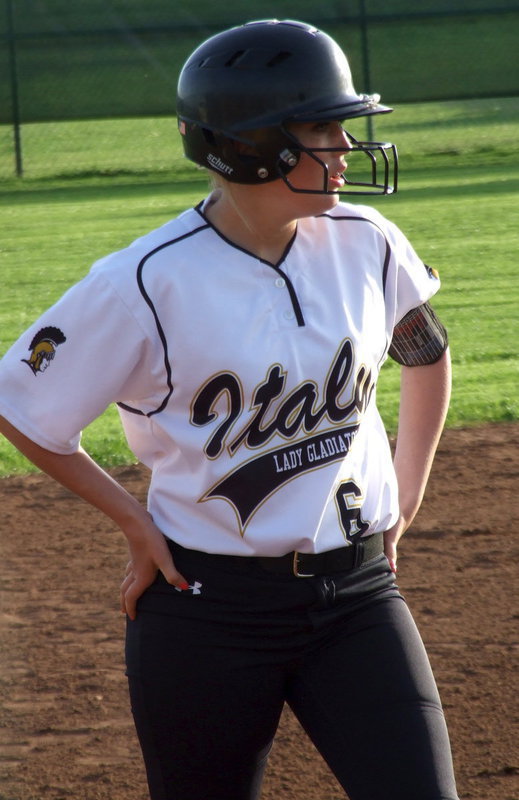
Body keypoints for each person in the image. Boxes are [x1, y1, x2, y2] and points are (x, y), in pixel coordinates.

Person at [0, 19, 458, 800]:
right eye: (323, 128)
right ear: (254, 146)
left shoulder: (366, 240)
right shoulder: (143, 281)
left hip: (357, 598)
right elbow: (21, 402)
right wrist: (133, 521)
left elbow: (424, 352)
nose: (346, 146)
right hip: (206, 612)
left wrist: (406, 491)